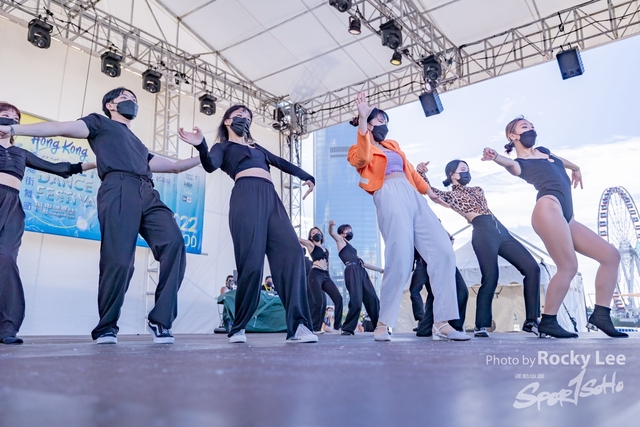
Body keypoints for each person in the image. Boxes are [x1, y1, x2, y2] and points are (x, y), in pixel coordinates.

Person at [0, 88, 203, 345]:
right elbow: (60, 127)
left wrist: (206, 152)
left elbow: (174, 167)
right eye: (126, 98)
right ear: (110, 105)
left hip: (147, 191)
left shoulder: (139, 146)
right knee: (119, 261)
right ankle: (107, 326)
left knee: (174, 243)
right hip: (118, 187)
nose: (132, 102)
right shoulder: (98, 123)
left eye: (135, 100)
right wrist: (15, 129)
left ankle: (161, 320)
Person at [180, 104, 317, 344]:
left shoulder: (257, 147)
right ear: (227, 121)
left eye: (248, 116)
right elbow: (210, 165)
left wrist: (306, 176)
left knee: (293, 252)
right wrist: (201, 145)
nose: (245, 118)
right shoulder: (223, 147)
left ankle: (299, 326)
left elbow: (280, 162)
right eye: (240, 115)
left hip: (270, 197)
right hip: (246, 196)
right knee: (251, 263)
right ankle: (239, 327)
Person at [481, 117, 626, 338]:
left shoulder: (544, 151)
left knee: (611, 256)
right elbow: (511, 165)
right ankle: (548, 321)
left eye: (532, 126)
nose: (531, 129)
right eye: (524, 127)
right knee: (568, 266)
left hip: (568, 218)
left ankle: (601, 315)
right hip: (548, 209)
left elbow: (559, 160)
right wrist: (495, 157)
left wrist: (575, 168)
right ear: (512, 136)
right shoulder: (522, 163)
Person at [347, 91, 469, 342]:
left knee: (443, 251)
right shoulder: (358, 146)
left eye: (386, 120)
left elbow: (410, 171)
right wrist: (362, 122)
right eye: (379, 119)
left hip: (412, 194)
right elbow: (363, 157)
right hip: (388, 192)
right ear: (369, 122)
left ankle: (442, 322)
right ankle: (383, 323)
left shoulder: (393, 145)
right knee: (400, 258)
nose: (385, 124)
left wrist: (430, 193)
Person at [0, 102, 95, 345]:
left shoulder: (21, 153)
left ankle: (7, 327)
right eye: (5, 115)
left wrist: (94, 163)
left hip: (11, 206)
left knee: (7, 259)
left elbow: (57, 168)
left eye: (15, 118)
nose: (10, 119)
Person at [416, 159, 540, 337]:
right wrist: (421, 173)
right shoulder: (450, 196)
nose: (467, 172)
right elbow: (431, 192)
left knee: (533, 268)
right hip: (482, 232)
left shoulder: (478, 189)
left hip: (500, 230)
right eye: (462, 169)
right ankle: (481, 325)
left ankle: (531, 320)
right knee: (491, 276)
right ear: (452, 174)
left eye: (467, 169)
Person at [327, 220, 381, 336]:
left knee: (373, 298)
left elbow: (363, 263)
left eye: (350, 229)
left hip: (361, 270)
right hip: (351, 270)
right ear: (342, 233)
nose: (350, 231)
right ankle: (347, 328)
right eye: (347, 229)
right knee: (356, 300)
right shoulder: (340, 241)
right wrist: (330, 226)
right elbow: (331, 233)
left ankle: (379, 327)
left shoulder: (352, 249)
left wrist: (380, 270)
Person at [300, 227, 344, 334]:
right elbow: (299, 239)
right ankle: (314, 328)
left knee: (338, 299)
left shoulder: (325, 249)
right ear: (311, 237)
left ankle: (337, 327)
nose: (316, 233)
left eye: (318, 232)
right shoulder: (311, 245)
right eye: (313, 233)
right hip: (315, 274)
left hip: (326, 276)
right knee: (318, 302)